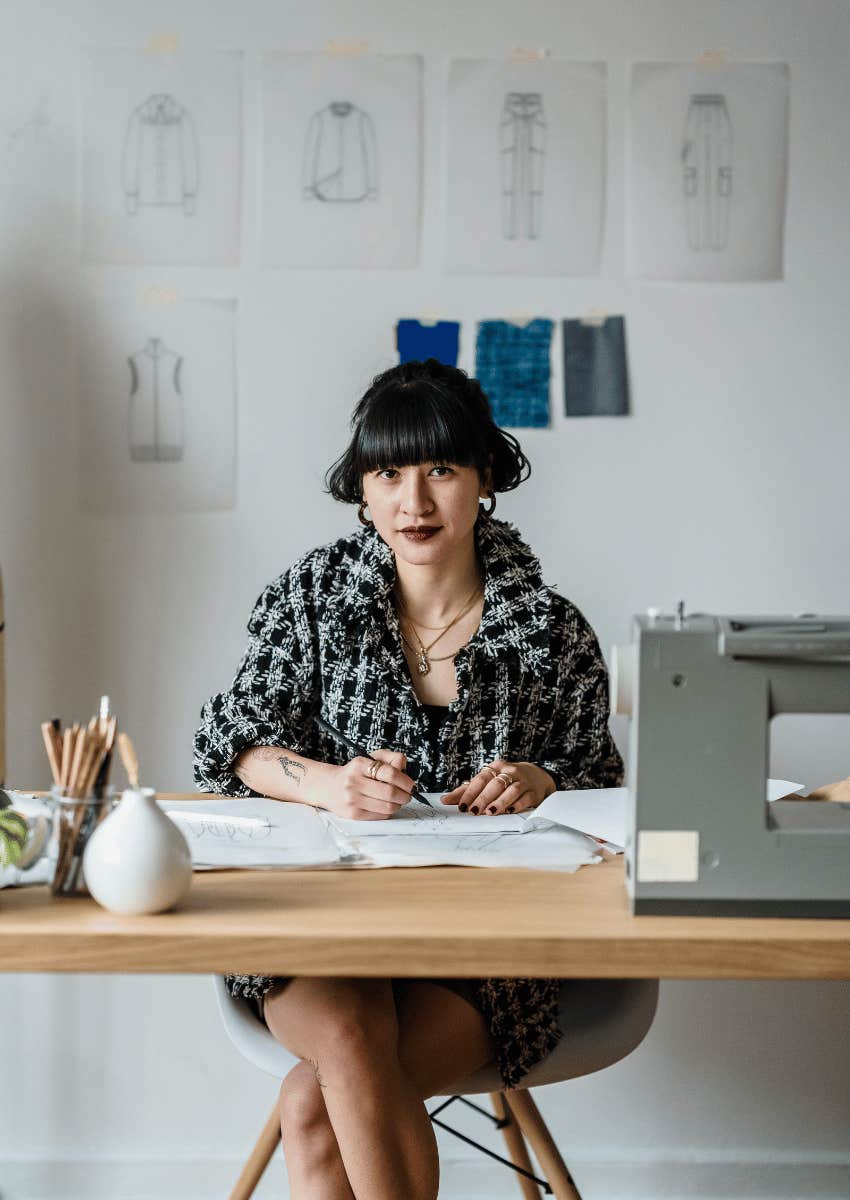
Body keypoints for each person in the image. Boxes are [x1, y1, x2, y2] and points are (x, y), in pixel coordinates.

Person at [194, 358, 623, 1200]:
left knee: (312, 1102)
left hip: (480, 955)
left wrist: (542, 777)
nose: (414, 502)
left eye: (441, 470)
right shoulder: (309, 598)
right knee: (347, 1040)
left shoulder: (552, 628)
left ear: (486, 477)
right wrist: (324, 783)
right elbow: (226, 743)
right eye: (388, 472)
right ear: (361, 487)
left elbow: (604, 784)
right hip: (314, 934)